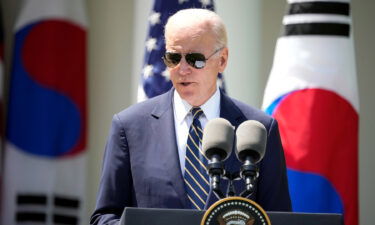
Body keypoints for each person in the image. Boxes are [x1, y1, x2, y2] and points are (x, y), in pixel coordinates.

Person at [90, 8, 291, 225]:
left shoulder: (258, 129)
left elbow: (279, 218)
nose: (182, 69)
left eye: (195, 59)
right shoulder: (129, 127)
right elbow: (104, 217)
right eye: (173, 58)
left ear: (222, 60)